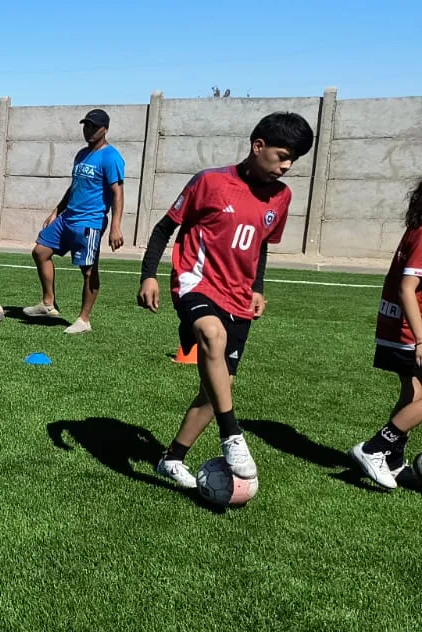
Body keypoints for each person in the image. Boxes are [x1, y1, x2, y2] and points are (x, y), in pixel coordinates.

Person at [137, 112, 314, 490]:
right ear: (258, 146)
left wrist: (257, 287)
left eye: (293, 160)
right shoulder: (210, 181)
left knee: (217, 387)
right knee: (212, 337)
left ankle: (172, 458)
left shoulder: (282, 197)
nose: (286, 167)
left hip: (239, 295)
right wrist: (148, 274)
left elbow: (262, 245)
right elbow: (164, 227)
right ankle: (232, 435)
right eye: (282, 155)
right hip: (195, 282)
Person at [24, 109, 126, 334]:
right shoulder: (81, 154)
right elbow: (74, 187)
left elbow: (117, 193)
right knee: (40, 252)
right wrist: (56, 211)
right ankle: (48, 304)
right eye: (86, 125)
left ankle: (84, 320)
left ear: (105, 129)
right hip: (68, 217)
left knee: (88, 270)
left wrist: (116, 226)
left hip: (90, 222)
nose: (88, 130)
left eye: (94, 126)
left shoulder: (111, 157)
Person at [350, 177, 422, 490]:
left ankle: (392, 459)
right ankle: (375, 449)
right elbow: (408, 289)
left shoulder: (417, 229)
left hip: (397, 326)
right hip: (408, 330)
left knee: (413, 394)